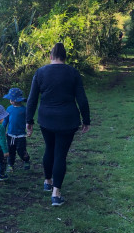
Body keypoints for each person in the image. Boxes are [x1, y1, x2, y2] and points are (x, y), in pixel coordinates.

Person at [25, 42, 91, 206]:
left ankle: (48, 182)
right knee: (60, 154)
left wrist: (29, 120)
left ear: (50, 56)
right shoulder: (73, 72)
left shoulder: (40, 72)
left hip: (46, 118)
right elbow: (81, 99)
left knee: (49, 149)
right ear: (65, 57)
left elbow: (32, 99)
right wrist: (86, 120)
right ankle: (56, 193)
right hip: (68, 119)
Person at [2, 87, 31, 171]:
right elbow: (5, 120)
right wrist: (3, 129)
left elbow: (27, 121)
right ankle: (10, 164)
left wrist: (28, 130)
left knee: (21, 150)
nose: (10, 100)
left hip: (21, 135)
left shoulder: (24, 110)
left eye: (11, 99)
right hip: (10, 134)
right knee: (11, 151)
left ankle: (26, 160)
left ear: (16, 100)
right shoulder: (9, 109)